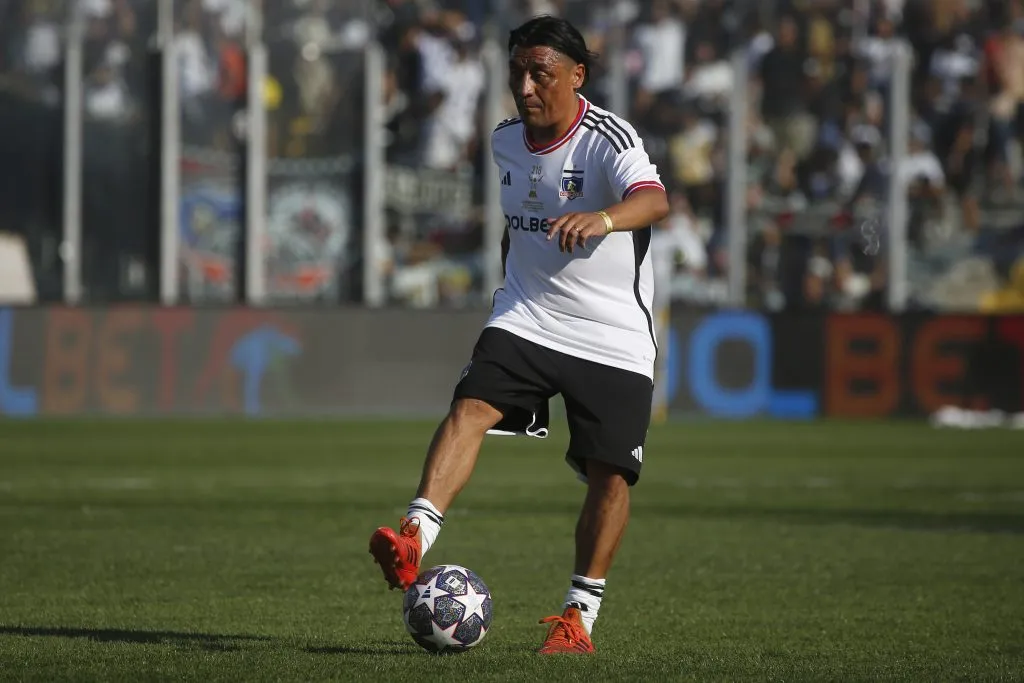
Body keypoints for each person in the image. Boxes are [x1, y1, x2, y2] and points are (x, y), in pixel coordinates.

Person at [369, 15, 669, 655]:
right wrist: (510, 289)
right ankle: (413, 537)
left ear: (577, 75)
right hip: (528, 314)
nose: (526, 87)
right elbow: (517, 224)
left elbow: (655, 201)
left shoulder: (607, 138)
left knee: (609, 475)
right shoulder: (506, 141)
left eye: (542, 73)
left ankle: (577, 619)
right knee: (470, 407)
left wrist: (604, 218)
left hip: (612, 332)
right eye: (517, 73)